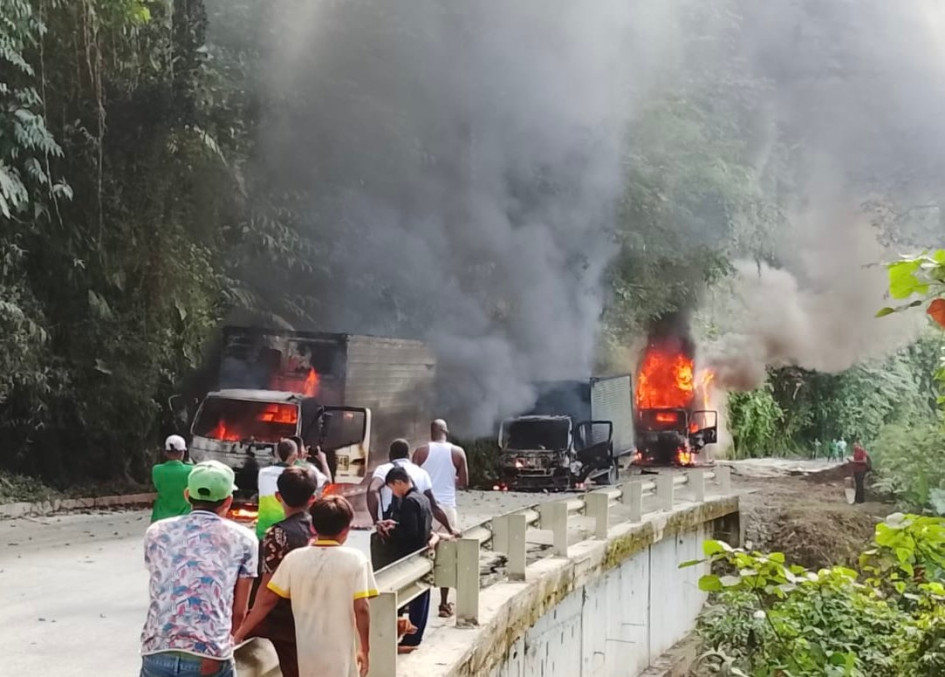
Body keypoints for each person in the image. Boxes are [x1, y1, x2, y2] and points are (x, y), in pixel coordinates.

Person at [235, 496, 377, 677]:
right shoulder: (356, 560)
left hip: (305, 653)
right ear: (346, 530)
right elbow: (362, 608)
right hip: (340, 655)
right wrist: (365, 648)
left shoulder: (293, 559)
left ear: (312, 527)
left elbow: (266, 601)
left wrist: (240, 633)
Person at [140, 461, 258, 677]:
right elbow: (239, 611)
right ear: (229, 501)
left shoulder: (156, 531)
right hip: (210, 657)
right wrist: (222, 645)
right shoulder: (244, 539)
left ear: (187, 495)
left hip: (156, 650)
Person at [250, 466, 319, 677]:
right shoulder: (320, 528)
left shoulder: (277, 533)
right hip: (317, 613)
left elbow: (268, 587)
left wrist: (246, 623)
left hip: (284, 621)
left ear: (278, 496)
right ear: (313, 498)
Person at [367, 439, 460, 566]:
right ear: (409, 455)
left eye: (392, 487)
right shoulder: (421, 473)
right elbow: (434, 506)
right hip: (418, 546)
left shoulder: (384, 470)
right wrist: (450, 528)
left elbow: (372, 490)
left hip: (398, 546)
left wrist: (376, 520)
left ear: (390, 455)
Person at [379, 466, 439, 653]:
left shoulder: (409, 502)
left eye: (392, 488)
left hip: (409, 555)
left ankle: (410, 638)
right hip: (423, 554)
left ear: (399, 482)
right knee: (423, 595)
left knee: (413, 597)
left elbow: (410, 533)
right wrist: (397, 524)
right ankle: (415, 636)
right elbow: (421, 528)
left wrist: (391, 530)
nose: (393, 493)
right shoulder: (424, 499)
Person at [413, 419, 468, 617]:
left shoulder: (420, 451)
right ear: (446, 430)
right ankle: (444, 604)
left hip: (426, 506)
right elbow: (464, 482)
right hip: (447, 508)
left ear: (431, 432)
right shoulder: (458, 452)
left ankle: (414, 599)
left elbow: (412, 479)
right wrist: (451, 478)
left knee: (421, 551)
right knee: (446, 555)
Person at [256, 439, 299, 539]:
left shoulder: (263, 473)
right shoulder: (295, 477)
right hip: (285, 531)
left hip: (263, 531)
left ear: (276, 454)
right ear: (295, 456)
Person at [150, 435, 194, 523]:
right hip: (184, 518)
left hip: (160, 518)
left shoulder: (156, 470)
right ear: (182, 452)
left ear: (166, 452)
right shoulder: (191, 470)